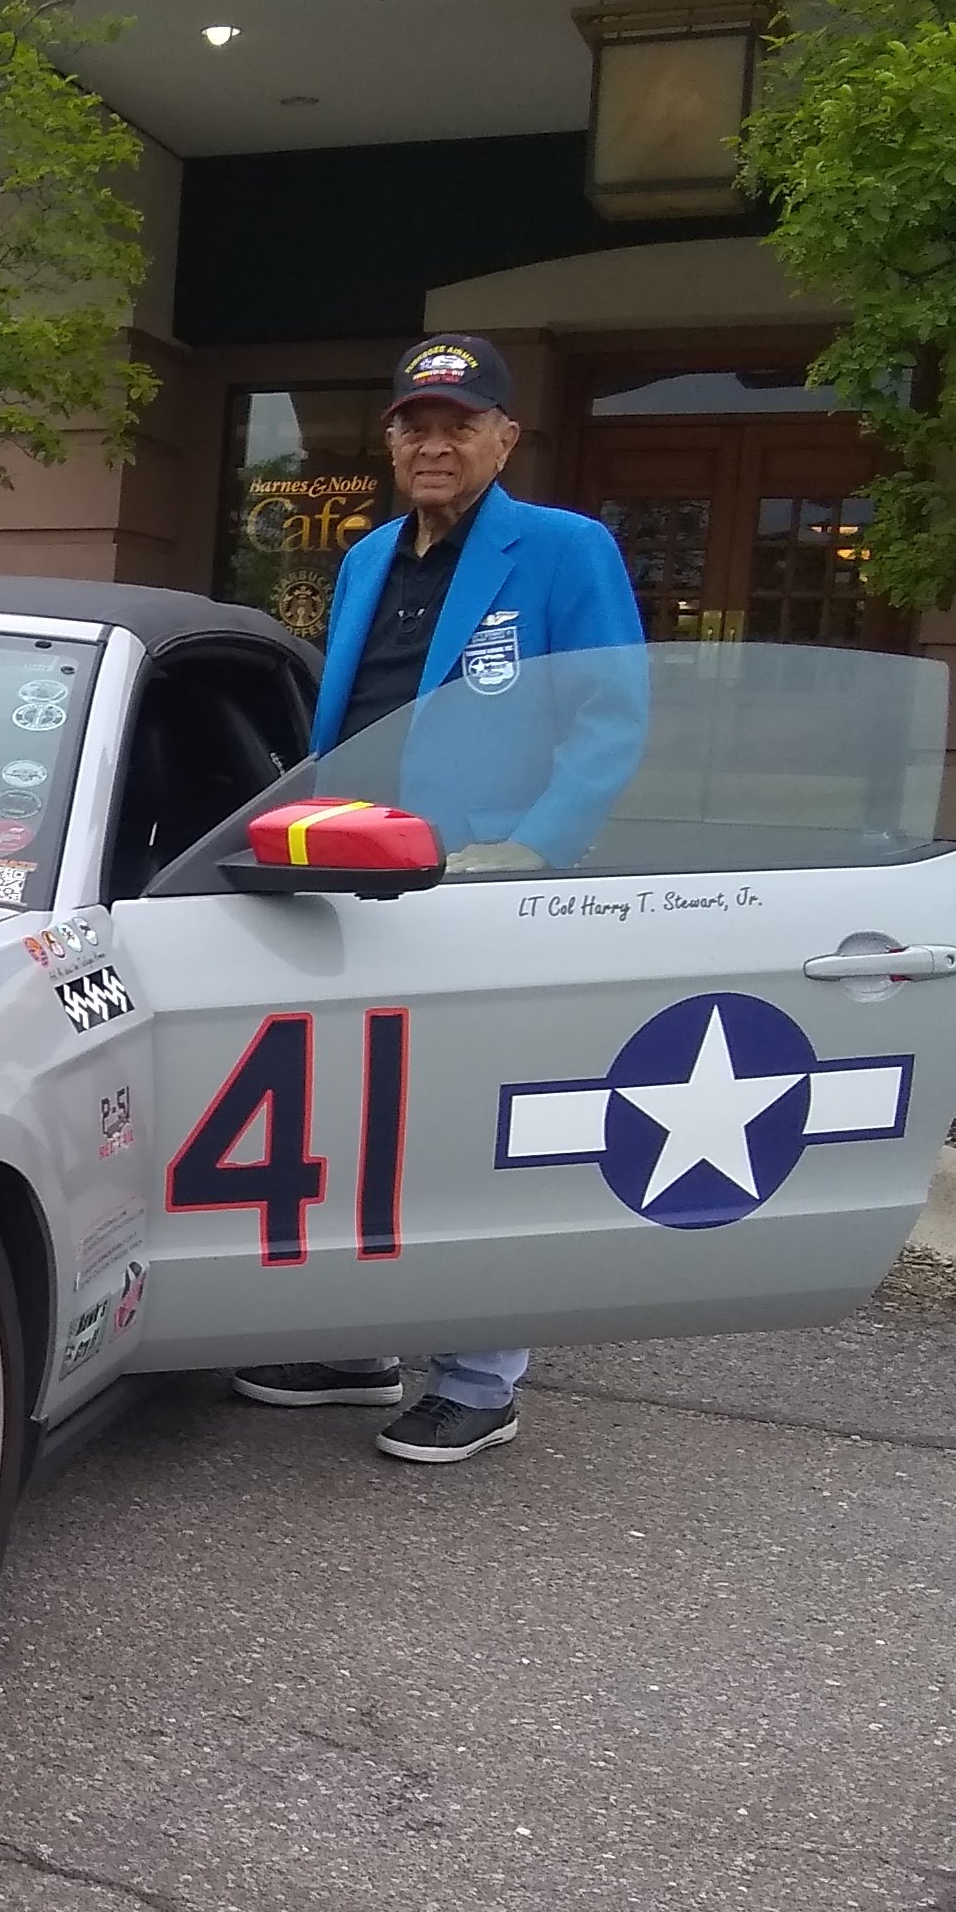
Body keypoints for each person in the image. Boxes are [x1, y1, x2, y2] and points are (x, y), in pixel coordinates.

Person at [232, 332, 646, 1466]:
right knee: (362, 1122)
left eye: (460, 423)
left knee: (475, 1129)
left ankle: (479, 1374)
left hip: (484, 884)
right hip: (354, 878)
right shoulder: (368, 555)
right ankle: (359, 1345)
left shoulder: (563, 550)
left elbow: (613, 719)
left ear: (504, 438)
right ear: (391, 439)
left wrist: (538, 847)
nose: (434, 441)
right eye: (415, 422)